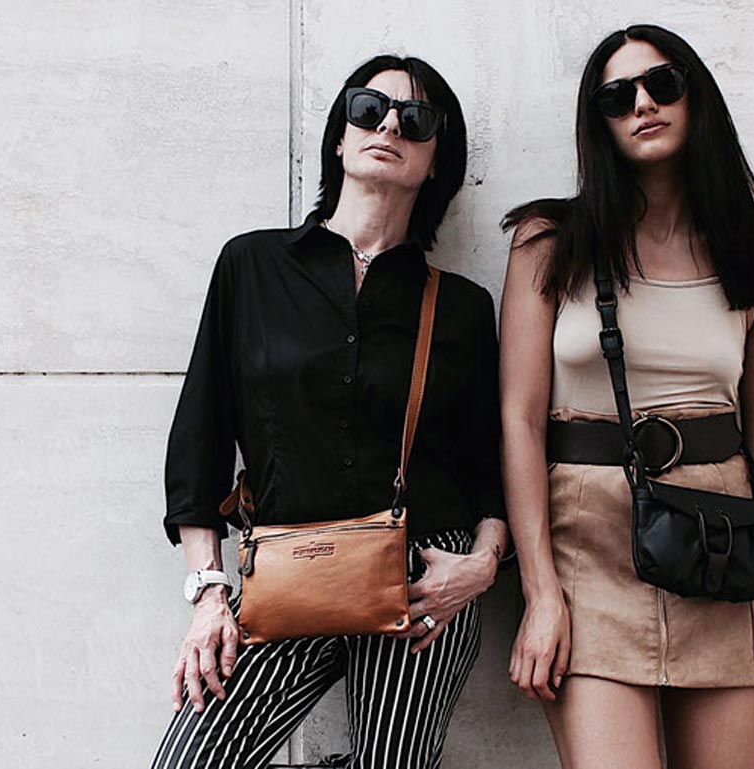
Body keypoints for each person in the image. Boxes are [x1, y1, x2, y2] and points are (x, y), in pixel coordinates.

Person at [152, 54, 510, 769]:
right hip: (285, 571)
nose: (388, 125)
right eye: (367, 108)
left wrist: (482, 564)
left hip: (423, 582)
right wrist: (208, 593)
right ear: (339, 138)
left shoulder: (462, 306)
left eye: (415, 119)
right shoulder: (251, 268)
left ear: (437, 159)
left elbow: (490, 465)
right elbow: (200, 438)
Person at [499, 24, 754, 768]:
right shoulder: (548, 243)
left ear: (695, 98)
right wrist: (541, 593)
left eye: (662, 84)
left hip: (724, 546)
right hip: (586, 542)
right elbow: (520, 422)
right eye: (618, 97)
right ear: (600, 122)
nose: (643, 104)